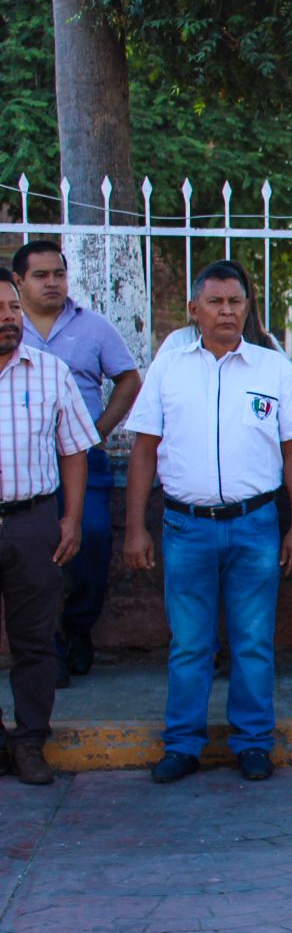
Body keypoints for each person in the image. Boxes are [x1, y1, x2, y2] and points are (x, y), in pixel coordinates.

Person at [124, 260, 292, 784]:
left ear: (247, 308)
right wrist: (136, 527)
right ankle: (182, 744)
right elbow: (144, 447)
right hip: (187, 527)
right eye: (216, 301)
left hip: (255, 525)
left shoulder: (271, 367)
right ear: (194, 310)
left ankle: (252, 743)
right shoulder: (171, 363)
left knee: (253, 640)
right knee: (190, 643)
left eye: (236, 301)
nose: (227, 310)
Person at [12, 241, 143, 684]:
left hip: (84, 458)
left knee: (92, 539)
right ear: (19, 282)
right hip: (22, 465)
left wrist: (99, 430)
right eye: (41, 275)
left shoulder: (94, 328)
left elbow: (128, 378)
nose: (52, 282)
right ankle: (46, 647)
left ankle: (78, 630)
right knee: (34, 554)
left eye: (58, 274)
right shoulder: (9, 328)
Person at [0, 267, 97, 784]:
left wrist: (71, 518)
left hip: (33, 522)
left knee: (35, 640)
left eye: (13, 308)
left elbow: (75, 450)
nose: (9, 319)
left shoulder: (48, 370)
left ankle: (31, 740)